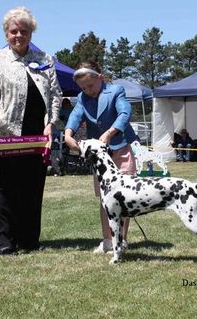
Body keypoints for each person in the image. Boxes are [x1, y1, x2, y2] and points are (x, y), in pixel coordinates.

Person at [0, 7, 62, 255]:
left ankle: (30, 240)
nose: (18, 35)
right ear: (6, 33)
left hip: (37, 137)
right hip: (4, 134)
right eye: (14, 31)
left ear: (31, 33)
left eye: (24, 31)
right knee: (3, 188)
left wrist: (50, 124)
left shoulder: (45, 59)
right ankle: (4, 242)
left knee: (32, 189)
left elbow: (55, 96)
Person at [64, 60, 137, 254]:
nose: (88, 90)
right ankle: (107, 240)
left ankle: (122, 240)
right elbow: (75, 116)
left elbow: (125, 112)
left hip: (121, 150)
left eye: (90, 85)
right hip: (100, 159)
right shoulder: (82, 97)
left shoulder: (116, 91)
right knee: (106, 199)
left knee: (124, 198)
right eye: (83, 87)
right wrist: (68, 133)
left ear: (100, 77)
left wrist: (111, 132)